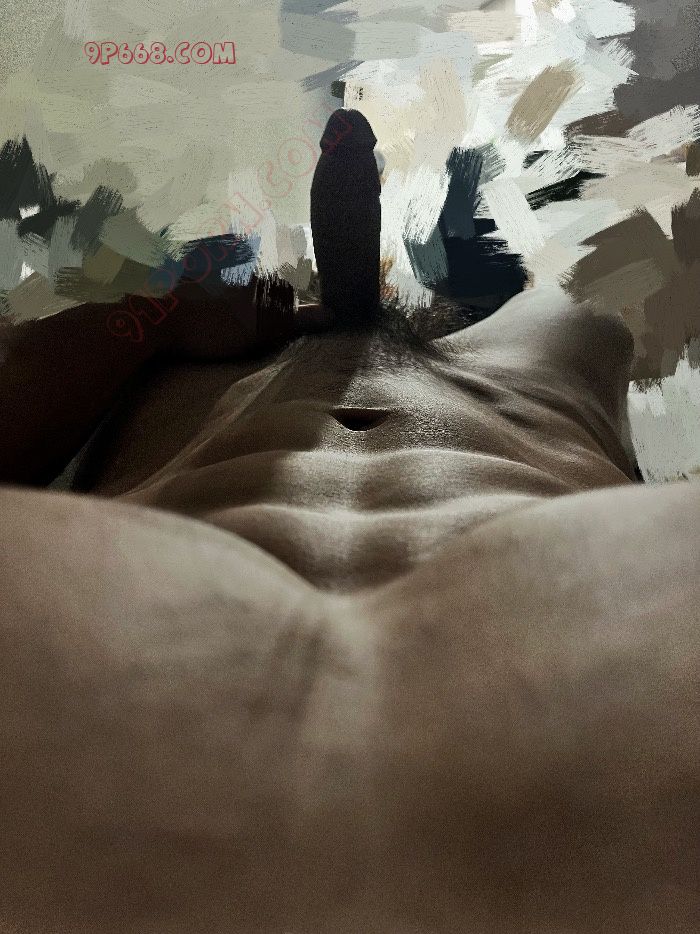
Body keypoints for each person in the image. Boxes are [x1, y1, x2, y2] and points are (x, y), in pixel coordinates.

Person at [0, 112, 697, 934]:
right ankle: (365, 295)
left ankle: (372, 295)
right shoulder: (188, 359)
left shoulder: (551, 338)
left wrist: (173, 315)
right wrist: (169, 313)